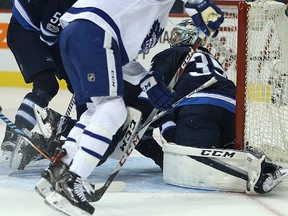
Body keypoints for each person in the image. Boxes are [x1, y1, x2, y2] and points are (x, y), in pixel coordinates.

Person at [34, 0, 224, 215]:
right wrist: (199, 3)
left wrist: (146, 79)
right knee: (113, 109)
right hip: (93, 32)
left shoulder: (145, 13)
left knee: (94, 111)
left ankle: (60, 170)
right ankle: (73, 180)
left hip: (78, 35)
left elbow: (119, 58)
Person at [144, 19, 287, 195]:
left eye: (176, 35)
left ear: (184, 36)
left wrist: (168, 133)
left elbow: (152, 84)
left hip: (198, 108)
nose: (173, 39)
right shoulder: (211, 59)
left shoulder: (171, 53)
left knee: (194, 158)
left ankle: (259, 177)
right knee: (227, 147)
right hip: (232, 110)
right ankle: (266, 166)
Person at [0, 0, 87, 165]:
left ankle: (82, 132)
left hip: (50, 31)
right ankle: (13, 137)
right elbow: (49, 35)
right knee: (46, 84)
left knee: (83, 86)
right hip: (26, 30)